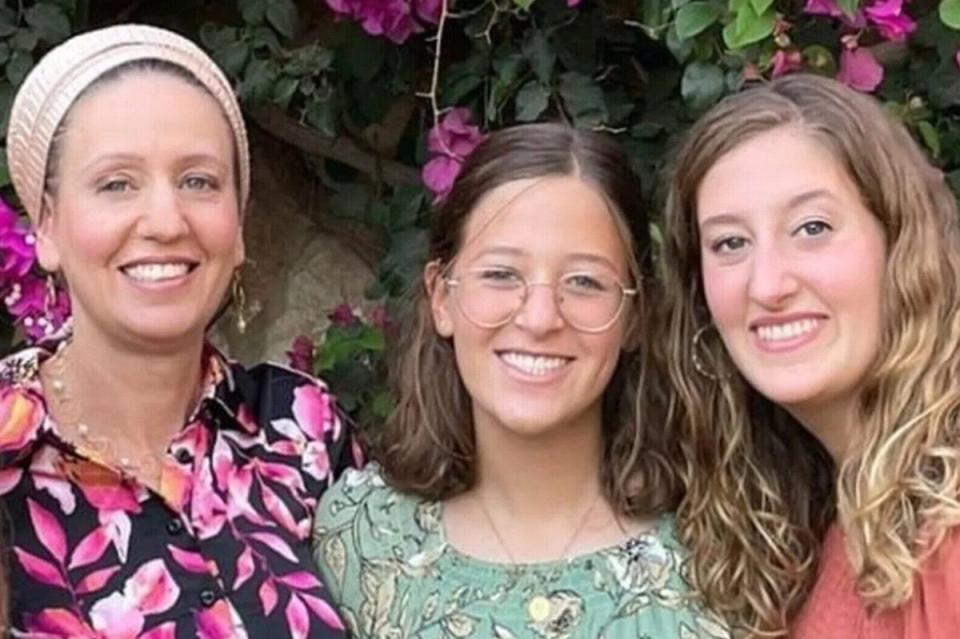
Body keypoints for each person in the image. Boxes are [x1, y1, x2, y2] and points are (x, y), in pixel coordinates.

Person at [0, 24, 355, 637]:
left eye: (198, 181)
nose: (165, 221)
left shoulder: (302, 427)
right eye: (117, 184)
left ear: (239, 225)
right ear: (47, 225)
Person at [312, 123, 731, 638]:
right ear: (442, 298)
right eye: (501, 274)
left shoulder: (723, 546)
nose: (539, 318)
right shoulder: (359, 538)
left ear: (636, 315)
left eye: (584, 281)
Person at [660, 72, 960, 636]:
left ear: (901, 243)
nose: (767, 284)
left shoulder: (949, 535)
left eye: (812, 227)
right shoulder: (821, 519)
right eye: (730, 243)